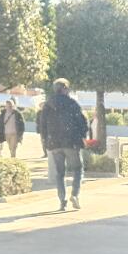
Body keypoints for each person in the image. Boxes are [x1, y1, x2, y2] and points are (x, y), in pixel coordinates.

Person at [36, 78, 88, 212]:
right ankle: (75, 194)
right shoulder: (72, 104)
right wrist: (82, 136)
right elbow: (82, 122)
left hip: (54, 143)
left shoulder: (48, 105)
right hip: (71, 142)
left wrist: (46, 141)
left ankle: (62, 201)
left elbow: (42, 125)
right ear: (65, 89)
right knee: (78, 169)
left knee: (60, 173)